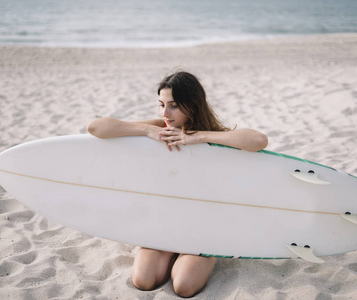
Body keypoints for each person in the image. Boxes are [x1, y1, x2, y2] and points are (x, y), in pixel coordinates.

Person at [87, 71, 268, 297]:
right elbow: (96, 128)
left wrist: (199, 137)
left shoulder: (214, 136)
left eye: (173, 105)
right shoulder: (159, 127)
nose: (165, 113)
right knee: (143, 281)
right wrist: (148, 129)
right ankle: (170, 254)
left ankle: (195, 256)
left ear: (192, 105)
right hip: (165, 221)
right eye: (161, 104)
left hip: (202, 225)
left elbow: (258, 141)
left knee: (184, 286)